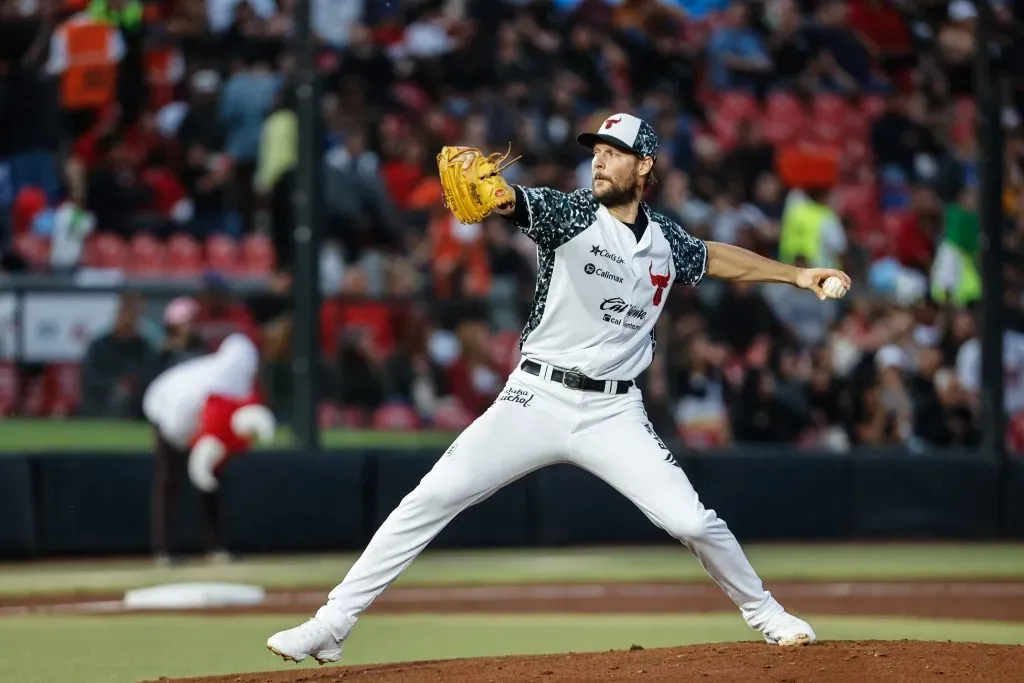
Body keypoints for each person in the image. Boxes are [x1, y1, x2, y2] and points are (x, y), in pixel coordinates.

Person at [267, 113, 851, 663]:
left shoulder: (665, 242)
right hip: (535, 398)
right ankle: (332, 623)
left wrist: (798, 274)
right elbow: (521, 202)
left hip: (613, 410)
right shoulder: (570, 215)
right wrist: (503, 197)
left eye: (614, 153)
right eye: (595, 152)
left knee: (693, 523)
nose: (599, 162)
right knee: (431, 496)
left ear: (644, 166)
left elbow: (715, 258)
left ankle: (767, 613)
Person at [143, 333, 276, 566]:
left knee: (210, 480)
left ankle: (216, 546)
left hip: (200, 425)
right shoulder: (204, 381)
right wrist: (191, 440)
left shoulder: (237, 381)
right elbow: (174, 419)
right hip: (166, 412)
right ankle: (163, 550)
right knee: (170, 478)